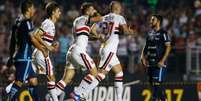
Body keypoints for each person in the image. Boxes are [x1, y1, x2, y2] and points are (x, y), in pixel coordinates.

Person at [76, 1, 135, 101]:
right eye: (120, 7)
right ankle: (82, 94)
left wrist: (99, 37)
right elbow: (125, 31)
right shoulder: (119, 17)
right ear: (116, 8)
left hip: (106, 49)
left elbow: (92, 30)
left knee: (119, 73)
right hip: (110, 50)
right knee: (101, 75)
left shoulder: (104, 17)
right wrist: (130, 32)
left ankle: (119, 99)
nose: (121, 9)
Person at [53, 2, 102, 101]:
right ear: (88, 11)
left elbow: (83, 36)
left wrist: (95, 37)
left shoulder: (78, 21)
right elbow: (100, 18)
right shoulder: (85, 18)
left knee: (66, 79)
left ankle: (51, 97)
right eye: (92, 9)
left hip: (72, 50)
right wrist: (97, 13)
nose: (94, 11)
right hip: (79, 51)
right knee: (94, 72)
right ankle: (78, 93)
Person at [7, 0, 47, 100]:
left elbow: (13, 41)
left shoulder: (17, 21)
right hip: (24, 56)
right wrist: (43, 49)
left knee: (33, 81)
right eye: (33, 8)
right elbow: (32, 39)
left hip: (18, 56)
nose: (34, 10)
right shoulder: (27, 22)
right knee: (19, 82)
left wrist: (11, 56)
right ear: (29, 9)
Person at [32, 2, 61, 101]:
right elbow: (36, 35)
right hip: (42, 54)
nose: (60, 13)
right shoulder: (49, 23)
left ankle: (8, 89)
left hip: (38, 52)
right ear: (53, 12)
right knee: (51, 77)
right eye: (58, 11)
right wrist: (48, 46)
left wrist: (51, 45)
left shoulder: (50, 23)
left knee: (27, 78)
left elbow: (42, 38)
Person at [141, 14, 171, 101]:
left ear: (158, 21)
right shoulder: (150, 33)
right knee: (153, 85)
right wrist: (142, 57)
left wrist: (162, 61)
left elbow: (168, 47)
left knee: (157, 84)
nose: (150, 21)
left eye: (152, 20)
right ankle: (164, 99)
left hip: (159, 64)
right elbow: (146, 46)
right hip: (150, 63)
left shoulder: (163, 33)